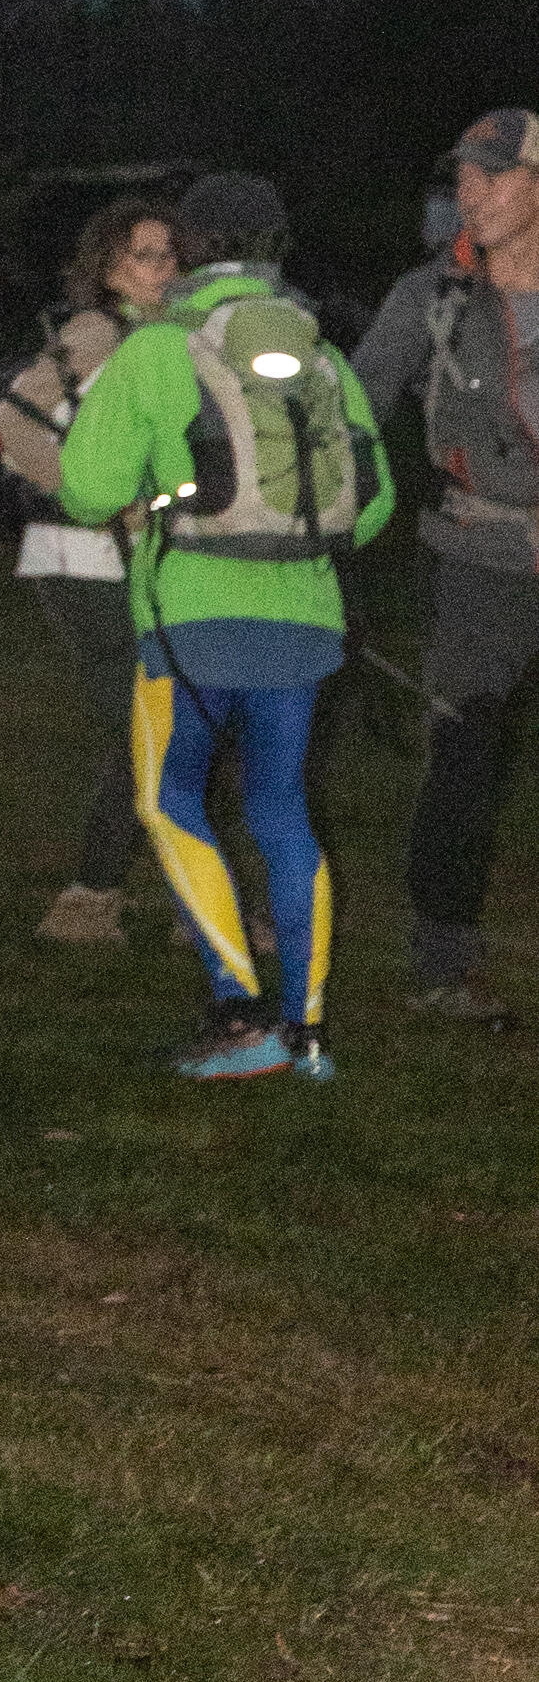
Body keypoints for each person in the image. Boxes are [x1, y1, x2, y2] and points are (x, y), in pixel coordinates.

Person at [58, 169, 395, 1080]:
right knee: (281, 810)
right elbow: (370, 505)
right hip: (306, 623)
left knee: (168, 802)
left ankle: (239, 1014)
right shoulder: (323, 358)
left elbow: (85, 488)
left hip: (188, 623)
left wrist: (157, 494)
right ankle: (307, 1032)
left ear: (191, 250)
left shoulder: (157, 351)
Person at [355, 104, 539, 1027]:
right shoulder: (431, 296)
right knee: (463, 754)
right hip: (479, 555)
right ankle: (441, 964)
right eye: (463, 175)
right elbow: (353, 408)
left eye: (493, 175)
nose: (471, 193)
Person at [0, 197, 183, 941]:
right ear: (107, 268)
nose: (163, 268)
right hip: (78, 561)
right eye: (144, 255)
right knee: (151, 734)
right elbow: (12, 423)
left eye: (170, 253)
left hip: (135, 561)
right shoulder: (98, 332)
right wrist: (89, 499)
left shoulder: (165, 334)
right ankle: (106, 901)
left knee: (159, 731)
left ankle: (128, 902)